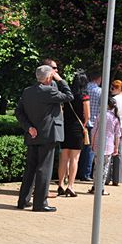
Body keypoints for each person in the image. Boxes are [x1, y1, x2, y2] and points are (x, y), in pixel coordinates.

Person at [15, 65, 73, 212]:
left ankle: (23, 200)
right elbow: (69, 96)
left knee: (31, 169)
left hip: (32, 134)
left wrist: (29, 127)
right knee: (43, 169)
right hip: (48, 135)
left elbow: (19, 112)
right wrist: (60, 80)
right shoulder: (49, 91)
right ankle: (40, 203)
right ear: (49, 78)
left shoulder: (27, 91)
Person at [57, 73, 90, 198]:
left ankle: (60, 184)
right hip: (77, 127)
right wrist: (84, 125)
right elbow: (87, 115)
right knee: (74, 159)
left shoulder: (68, 95)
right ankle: (70, 186)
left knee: (63, 157)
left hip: (66, 126)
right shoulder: (84, 96)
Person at [88, 97, 122, 195]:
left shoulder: (100, 115)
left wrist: (92, 142)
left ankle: (95, 186)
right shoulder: (115, 118)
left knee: (97, 167)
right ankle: (101, 187)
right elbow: (117, 135)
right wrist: (116, 147)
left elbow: (94, 130)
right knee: (105, 167)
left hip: (98, 143)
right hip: (109, 145)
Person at [78, 68, 102, 182]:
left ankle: (79, 172)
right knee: (90, 150)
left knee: (80, 149)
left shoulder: (83, 88)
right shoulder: (100, 91)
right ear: (99, 79)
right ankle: (86, 173)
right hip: (93, 122)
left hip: (81, 122)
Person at [107, 80, 122, 185]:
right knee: (118, 153)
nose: (112, 89)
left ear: (120, 88)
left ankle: (106, 177)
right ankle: (118, 178)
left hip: (112, 126)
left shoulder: (114, 100)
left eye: (114, 88)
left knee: (108, 152)